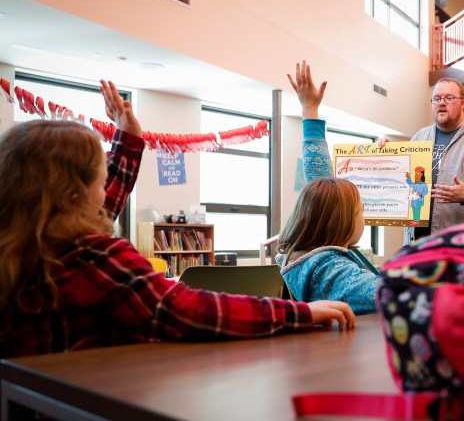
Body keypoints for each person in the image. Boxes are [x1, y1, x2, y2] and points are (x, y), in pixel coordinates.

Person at [0, 79, 354, 359]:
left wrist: (127, 136)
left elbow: (102, 201)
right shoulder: (94, 258)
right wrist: (300, 314)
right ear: (74, 194)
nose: (107, 184)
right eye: (99, 177)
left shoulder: (29, 239)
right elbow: (187, 310)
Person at [276, 61, 379, 315]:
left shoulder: (312, 253)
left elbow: (319, 181)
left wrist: (309, 109)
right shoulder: (327, 270)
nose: (364, 217)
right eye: (360, 211)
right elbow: (384, 292)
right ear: (340, 221)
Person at [379, 78, 464, 244]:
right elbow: (404, 183)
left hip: (458, 249)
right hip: (415, 246)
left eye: (449, 98)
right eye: (437, 99)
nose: (442, 103)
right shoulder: (420, 137)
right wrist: (390, 157)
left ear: (463, 103)